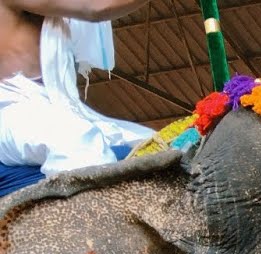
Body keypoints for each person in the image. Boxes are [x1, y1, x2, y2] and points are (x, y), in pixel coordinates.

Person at [0, 0, 152, 183]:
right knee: (79, 144)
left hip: (61, 109)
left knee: (154, 143)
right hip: (11, 111)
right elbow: (96, 8)